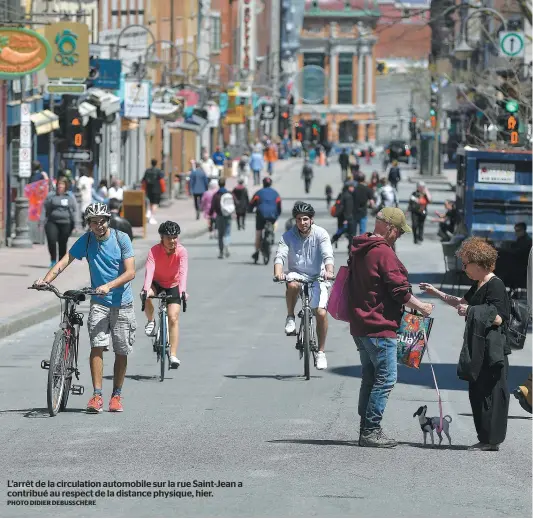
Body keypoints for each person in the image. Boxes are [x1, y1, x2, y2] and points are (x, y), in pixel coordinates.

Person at [34, 202, 136, 413]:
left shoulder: (121, 239)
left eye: (102, 222)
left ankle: (116, 395)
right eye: (93, 222)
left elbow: (130, 272)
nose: (98, 226)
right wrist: (45, 280)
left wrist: (109, 285)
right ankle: (97, 395)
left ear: (108, 221)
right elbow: (65, 261)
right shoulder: (87, 240)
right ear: (88, 224)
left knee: (121, 350)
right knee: (97, 346)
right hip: (98, 302)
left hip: (122, 302)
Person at [349, 208, 434, 447]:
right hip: (379, 326)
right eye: (398, 232)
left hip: (360, 324)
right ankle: (371, 430)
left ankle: (365, 428)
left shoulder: (361, 247)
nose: (398, 236)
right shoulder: (383, 252)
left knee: (370, 377)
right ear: (389, 228)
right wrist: (422, 306)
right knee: (385, 379)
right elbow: (399, 291)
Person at [420, 237, 511, 451]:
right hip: (478, 346)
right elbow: (461, 303)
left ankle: (491, 440)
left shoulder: (496, 285)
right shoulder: (480, 283)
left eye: (466, 263)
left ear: (479, 264)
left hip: (492, 350)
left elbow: (499, 318)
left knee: (491, 394)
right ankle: (484, 438)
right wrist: (436, 293)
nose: (464, 268)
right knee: (477, 391)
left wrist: (471, 311)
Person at [273, 201, 334, 371]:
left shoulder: (321, 234)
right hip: (297, 275)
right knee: (291, 285)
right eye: (299, 219)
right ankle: (290, 317)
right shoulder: (287, 236)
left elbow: (327, 255)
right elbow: (280, 257)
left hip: (318, 276)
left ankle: (321, 352)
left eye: (305, 219)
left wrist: (329, 271)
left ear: (312, 220)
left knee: (321, 313)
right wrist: (278, 273)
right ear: (295, 220)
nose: (302, 222)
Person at [142, 221, 188, 370]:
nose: (173, 241)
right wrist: (145, 288)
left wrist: (182, 290)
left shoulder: (182, 251)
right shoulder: (154, 251)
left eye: (175, 237)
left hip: (173, 285)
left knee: (173, 317)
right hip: (156, 283)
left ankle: (173, 355)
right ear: (162, 238)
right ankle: (151, 321)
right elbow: (149, 270)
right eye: (169, 238)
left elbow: (183, 272)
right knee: (147, 294)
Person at [41, 177, 78, 267]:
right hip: (52, 221)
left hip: (66, 222)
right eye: (59, 184)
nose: (60, 186)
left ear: (66, 186)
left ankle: (61, 262)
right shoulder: (51, 195)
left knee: (63, 242)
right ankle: (53, 260)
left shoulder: (70, 196)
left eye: (62, 184)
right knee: (52, 240)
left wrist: (76, 224)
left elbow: (74, 210)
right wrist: (42, 221)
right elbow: (45, 208)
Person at [249, 177, 282, 263]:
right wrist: (277, 215)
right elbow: (279, 206)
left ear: (263, 184)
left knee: (258, 233)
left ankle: (256, 252)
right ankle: (271, 235)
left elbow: (251, 203)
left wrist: (249, 210)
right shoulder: (276, 194)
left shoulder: (258, 193)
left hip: (261, 215)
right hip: (272, 216)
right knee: (274, 225)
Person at [210, 178, 234, 259]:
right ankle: (227, 247)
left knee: (220, 234)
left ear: (218, 185)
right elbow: (235, 202)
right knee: (227, 233)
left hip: (219, 215)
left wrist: (210, 214)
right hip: (228, 215)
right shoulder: (229, 193)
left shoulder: (216, 195)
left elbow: (212, 206)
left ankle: (221, 252)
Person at [142, 159, 165, 225]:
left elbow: (144, 180)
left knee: (150, 202)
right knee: (155, 204)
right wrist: (163, 190)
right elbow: (162, 181)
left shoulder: (147, 171)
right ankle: (152, 216)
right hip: (157, 189)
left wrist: (144, 189)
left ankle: (149, 212)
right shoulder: (158, 171)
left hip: (149, 189)